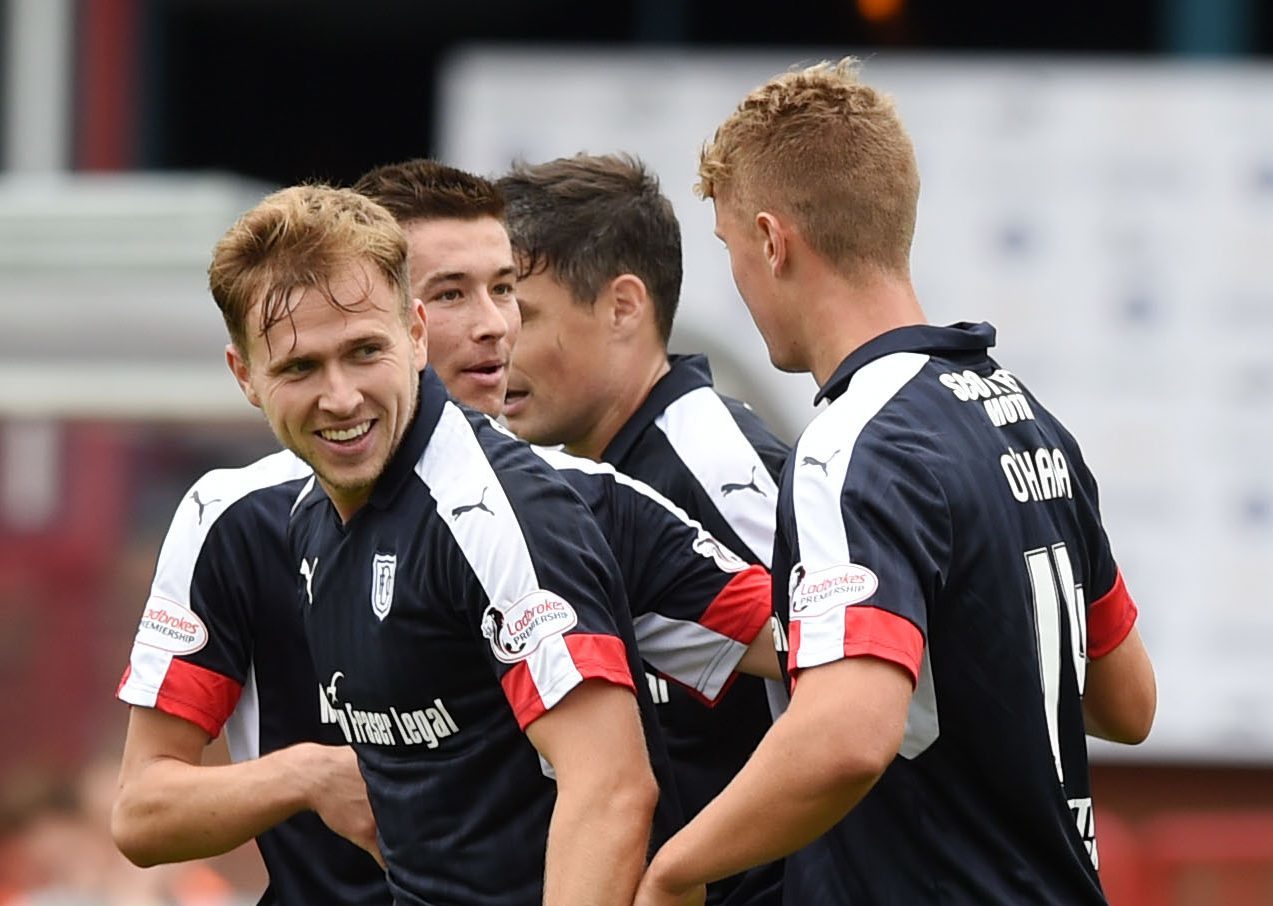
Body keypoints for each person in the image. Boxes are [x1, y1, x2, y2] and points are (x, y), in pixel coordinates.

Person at [114, 160, 774, 906]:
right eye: (454, 291)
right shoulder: (255, 515)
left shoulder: (552, 503)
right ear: (245, 374)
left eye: (504, 287)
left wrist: (721, 878)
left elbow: (815, 669)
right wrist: (306, 774)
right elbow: (140, 812)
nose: (493, 322)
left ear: (408, 332)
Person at [635, 58, 1158, 906]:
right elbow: (1127, 701)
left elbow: (847, 735)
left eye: (732, 252)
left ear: (772, 242)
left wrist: (676, 867)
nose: (739, 282)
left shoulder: (853, 442)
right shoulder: (1022, 414)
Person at [210, 181, 666, 906]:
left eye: (364, 352)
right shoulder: (308, 517)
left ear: (414, 336)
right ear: (246, 376)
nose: (340, 398)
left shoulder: (494, 509)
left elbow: (610, 788)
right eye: (300, 367)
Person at [497, 153, 788, 906]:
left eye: (520, 313)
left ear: (624, 306)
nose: (494, 347)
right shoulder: (579, 484)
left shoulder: (710, 460)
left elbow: (857, 689)